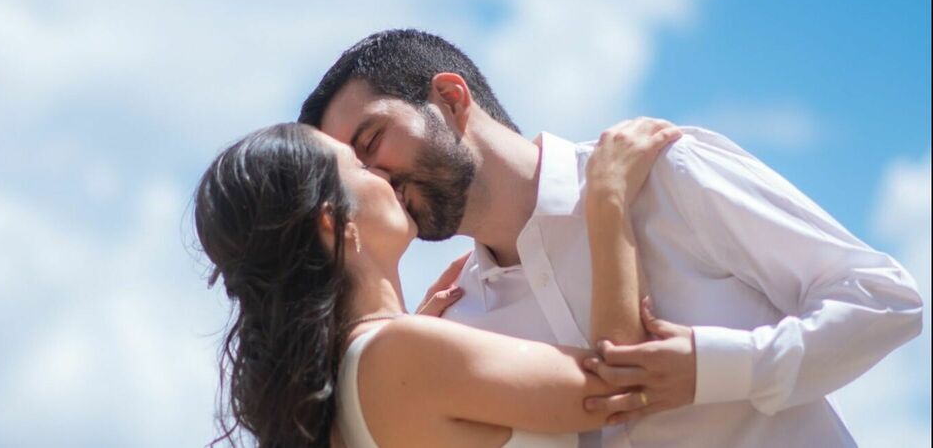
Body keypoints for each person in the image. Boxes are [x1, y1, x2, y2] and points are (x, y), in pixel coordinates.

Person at [299, 29, 924, 447]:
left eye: (371, 142)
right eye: (354, 173)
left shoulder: (665, 174)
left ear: (450, 98)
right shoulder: (454, 328)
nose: (373, 181)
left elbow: (885, 299)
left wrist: (727, 367)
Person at [194, 119, 680, 447]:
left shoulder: (342, 392)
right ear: (335, 221)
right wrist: (608, 199)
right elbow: (621, 385)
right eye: (361, 167)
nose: (384, 173)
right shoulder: (399, 355)